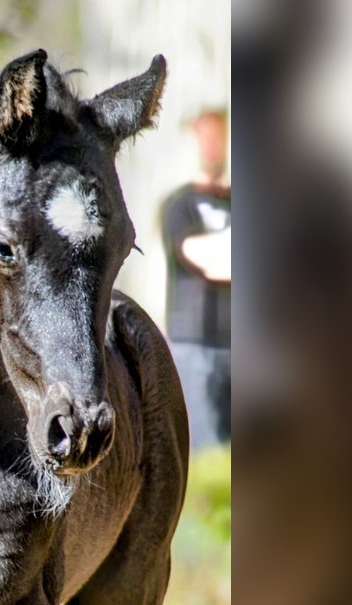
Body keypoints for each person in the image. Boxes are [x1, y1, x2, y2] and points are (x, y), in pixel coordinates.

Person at [160, 108, 231, 447]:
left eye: (220, 135)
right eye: (206, 136)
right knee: (206, 448)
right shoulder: (181, 206)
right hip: (196, 345)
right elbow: (206, 259)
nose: (213, 145)